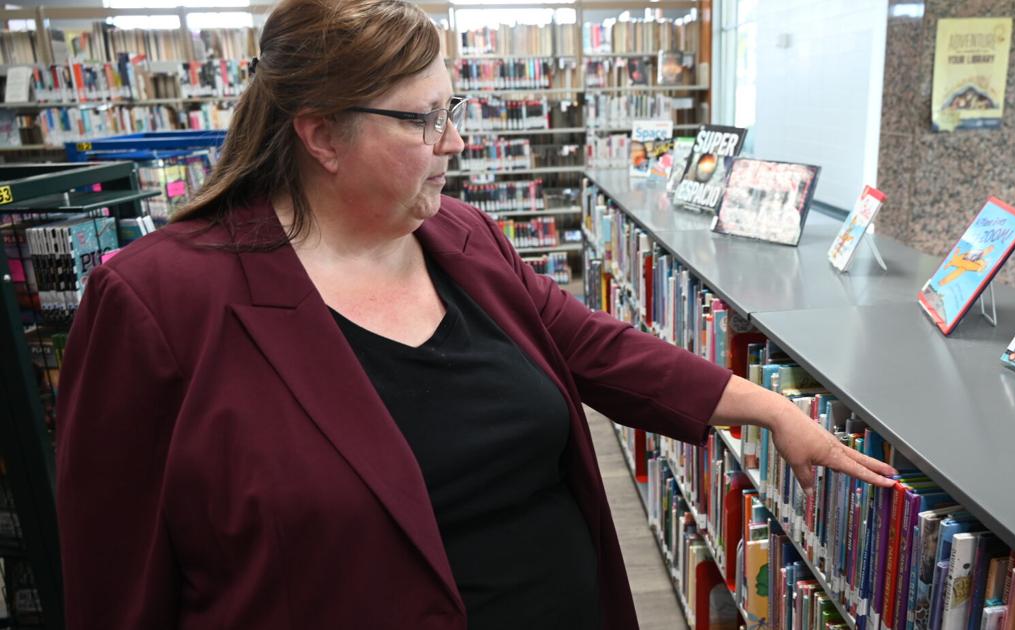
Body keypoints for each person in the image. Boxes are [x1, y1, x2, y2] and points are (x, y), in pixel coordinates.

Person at [54, 0, 897, 628]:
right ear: (321, 136)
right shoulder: (159, 302)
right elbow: (116, 572)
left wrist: (769, 409)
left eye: (453, 110)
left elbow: (590, 345)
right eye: (427, 119)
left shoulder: (460, 236)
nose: (456, 141)